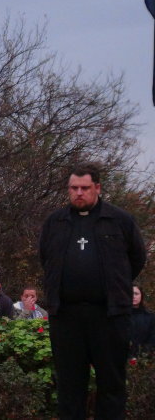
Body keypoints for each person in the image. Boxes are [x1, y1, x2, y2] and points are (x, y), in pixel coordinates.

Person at [40, 162, 146, 419]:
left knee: (111, 384)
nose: (78, 193)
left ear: (97, 187)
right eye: (73, 188)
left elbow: (137, 258)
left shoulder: (119, 220)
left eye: (84, 188)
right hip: (67, 317)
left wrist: (112, 284)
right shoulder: (56, 222)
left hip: (109, 316)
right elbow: (46, 258)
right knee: (69, 385)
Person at [130, 285, 155, 357]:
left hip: (144, 359)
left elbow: (152, 337)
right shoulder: (119, 316)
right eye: (130, 293)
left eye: (136, 293)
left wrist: (144, 354)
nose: (133, 296)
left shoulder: (150, 317)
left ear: (141, 295)